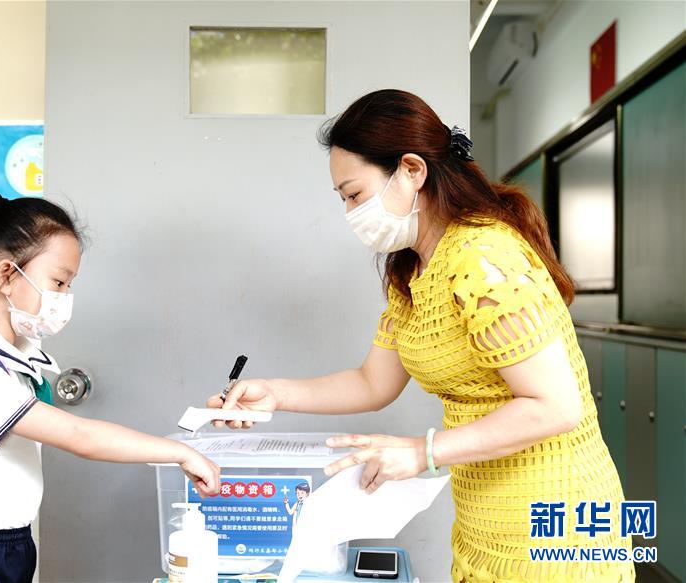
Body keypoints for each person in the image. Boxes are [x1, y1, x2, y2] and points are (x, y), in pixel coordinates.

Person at [207, 90, 634, 582]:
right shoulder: (413, 271)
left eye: (354, 195)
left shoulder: (482, 258)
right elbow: (373, 382)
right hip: (483, 524)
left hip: (557, 526)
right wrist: (274, 395)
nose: (350, 213)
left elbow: (555, 406)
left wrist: (420, 452)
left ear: (412, 170)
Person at [0, 189, 219, 582]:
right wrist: (181, 453)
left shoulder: (10, 359)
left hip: (5, 544)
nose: (64, 297)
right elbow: (81, 436)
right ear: (5, 275)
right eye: (58, 281)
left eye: (68, 285)